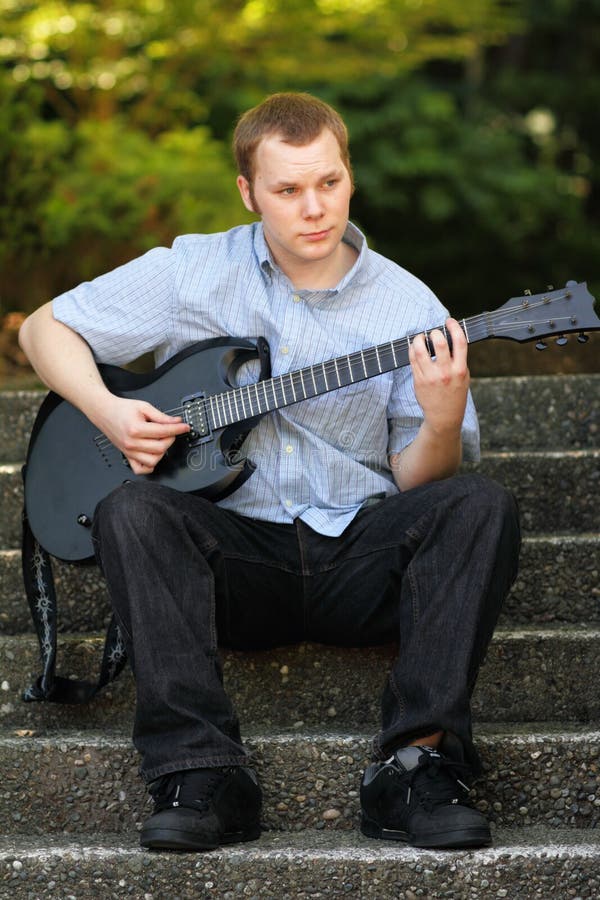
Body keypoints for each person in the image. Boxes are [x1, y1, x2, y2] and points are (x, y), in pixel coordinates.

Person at [19, 92, 520, 852]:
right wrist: (109, 412)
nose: (314, 208)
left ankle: (417, 765)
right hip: (230, 563)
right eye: (287, 189)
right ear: (248, 192)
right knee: (131, 509)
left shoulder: (407, 303)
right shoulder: (192, 270)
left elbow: (421, 486)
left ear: (349, 175)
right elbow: (43, 328)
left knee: (479, 504)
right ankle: (200, 773)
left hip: (361, 562)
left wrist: (443, 417)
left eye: (329, 182)